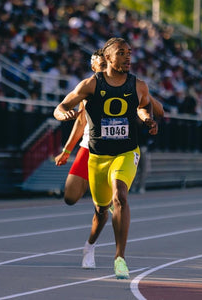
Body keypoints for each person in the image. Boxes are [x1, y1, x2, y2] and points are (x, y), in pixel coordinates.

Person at [54, 37, 158, 279]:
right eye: (121, 53)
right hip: (97, 155)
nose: (128, 57)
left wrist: (147, 119)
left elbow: (144, 106)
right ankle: (90, 245)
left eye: (129, 52)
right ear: (108, 58)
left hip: (126, 151)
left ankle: (119, 258)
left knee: (120, 195)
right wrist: (62, 114)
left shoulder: (138, 85)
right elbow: (61, 106)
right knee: (101, 210)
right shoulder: (89, 85)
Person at [54, 49, 106, 207]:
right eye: (102, 65)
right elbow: (79, 120)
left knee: (112, 201)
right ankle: (93, 184)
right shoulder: (87, 87)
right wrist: (67, 150)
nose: (106, 70)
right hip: (90, 146)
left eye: (108, 65)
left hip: (116, 148)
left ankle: (106, 198)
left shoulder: (126, 85)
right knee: (70, 197)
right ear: (94, 67)